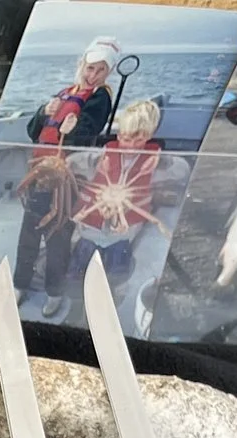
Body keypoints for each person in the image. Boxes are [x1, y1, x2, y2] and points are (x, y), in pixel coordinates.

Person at [15, 38, 117, 315]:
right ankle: (20, 283)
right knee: (29, 230)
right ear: (82, 64)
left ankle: (54, 291)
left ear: (108, 74)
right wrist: (41, 113)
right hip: (41, 170)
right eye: (90, 67)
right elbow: (33, 131)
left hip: (68, 176)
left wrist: (72, 129)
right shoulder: (64, 92)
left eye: (100, 71)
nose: (92, 75)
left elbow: (85, 134)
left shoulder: (100, 98)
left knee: (58, 233)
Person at [72, 96, 165, 305]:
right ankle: (78, 290)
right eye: (125, 137)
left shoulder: (154, 158)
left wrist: (159, 158)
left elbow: (179, 170)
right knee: (84, 253)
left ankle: (117, 290)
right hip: (96, 217)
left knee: (118, 258)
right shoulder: (106, 153)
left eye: (137, 139)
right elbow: (76, 163)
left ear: (150, 136)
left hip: (126, 222)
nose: (129, 146)